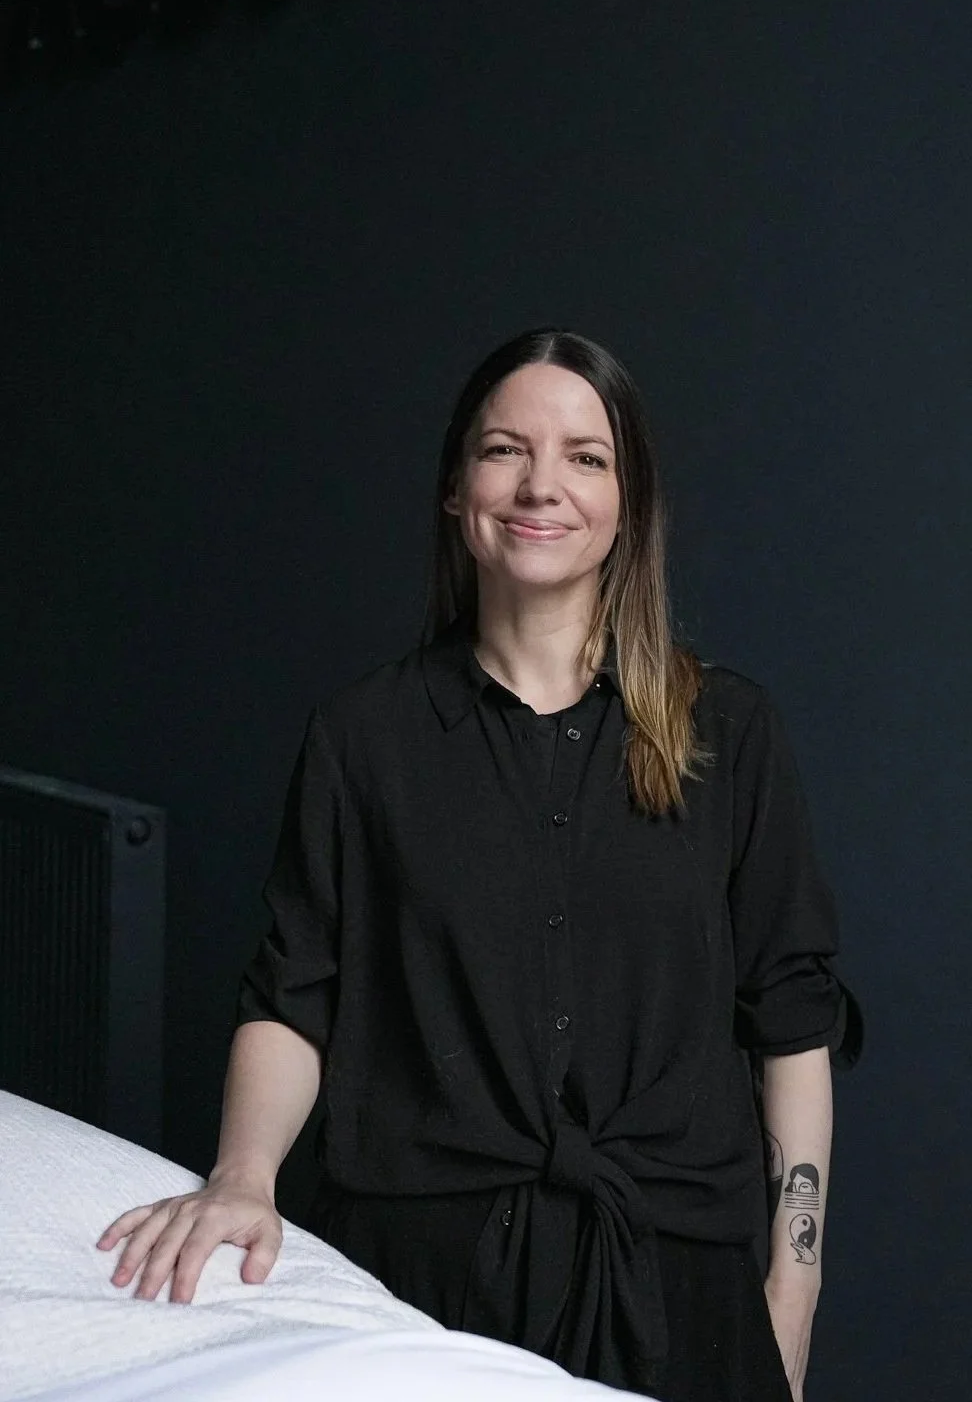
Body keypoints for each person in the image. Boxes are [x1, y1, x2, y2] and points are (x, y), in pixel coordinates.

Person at [98, 329, 862, 1402]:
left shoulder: (724, 733)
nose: (540, 484)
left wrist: (790, 1293)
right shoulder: (362, 737)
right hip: (414, 1288)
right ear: (457, 490)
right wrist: (240, 1179)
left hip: (680, 1292)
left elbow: (789, 1024)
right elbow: (294, 995)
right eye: (505, 449)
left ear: (628, 504)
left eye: (585, 457)